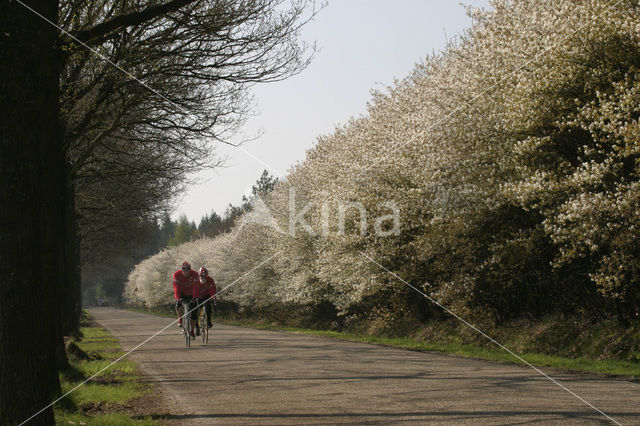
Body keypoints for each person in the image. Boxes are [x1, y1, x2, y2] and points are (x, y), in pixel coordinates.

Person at [173, 261, 199, 337]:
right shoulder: (177, 274)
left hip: (191, 294)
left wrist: (194, 297)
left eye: (188, 270)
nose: (186, 272)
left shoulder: (195, 274)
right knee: (178, 303)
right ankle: (180, 318)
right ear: (181, 270)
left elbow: (196, 287)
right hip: (181, 293)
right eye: (184, 271)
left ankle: (192, 330)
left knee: (194, 311)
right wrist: (178, 298)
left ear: (190, 270)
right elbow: (176, 287)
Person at [193, 266, 217, 332]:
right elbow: (194, 291)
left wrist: (213, 297)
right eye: (201, 276)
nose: (203, 278)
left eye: (205, 276)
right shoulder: (196, 281)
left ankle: (208, 321)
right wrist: (195, 298)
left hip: (206, 296)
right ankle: (197, 327)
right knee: (195, 310)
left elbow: (213, 290)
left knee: (208, 306)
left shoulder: (210, 280)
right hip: (198, 296)